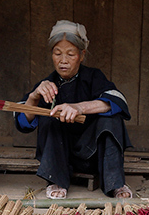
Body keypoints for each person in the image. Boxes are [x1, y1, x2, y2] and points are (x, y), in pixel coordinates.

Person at [14, 20, 132, 200]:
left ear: (82, 55)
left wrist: (79, 107)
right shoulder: (46, 85)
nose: (63, 61)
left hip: (93, 154)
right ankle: (57, 181)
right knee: (49, 117)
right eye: (57, 53)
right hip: (60, 158)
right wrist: (34, 96)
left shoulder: (94, 77)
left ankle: (115, 183)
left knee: (112, 118)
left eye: (70, 54)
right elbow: (22, 122)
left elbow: (118, 102)